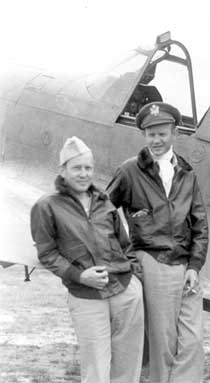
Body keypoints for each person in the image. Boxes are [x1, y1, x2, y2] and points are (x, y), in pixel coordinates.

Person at [107, 101, 208, 383]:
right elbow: (101, 212)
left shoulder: (187, 174)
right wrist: (126, 253)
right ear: (144, 135)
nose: (157, 140)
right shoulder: (129, 171)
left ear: (174, 133)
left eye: (162, 133)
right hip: (153, 262)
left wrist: (195, 266)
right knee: (163, 344)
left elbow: (199, 224)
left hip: (186, 267)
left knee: (192, 342)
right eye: (151, 134)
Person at [30, 136, 144, 383]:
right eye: (77, 168)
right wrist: (80, 276)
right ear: (63, 171)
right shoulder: (46, 206)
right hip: (86, 296)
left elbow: (126, 244)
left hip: (125, 290)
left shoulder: (104, 202)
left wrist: (134, 278)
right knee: (96, 369)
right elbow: (47, 254)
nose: (83, 174)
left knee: (128, 367)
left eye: (88, 168)